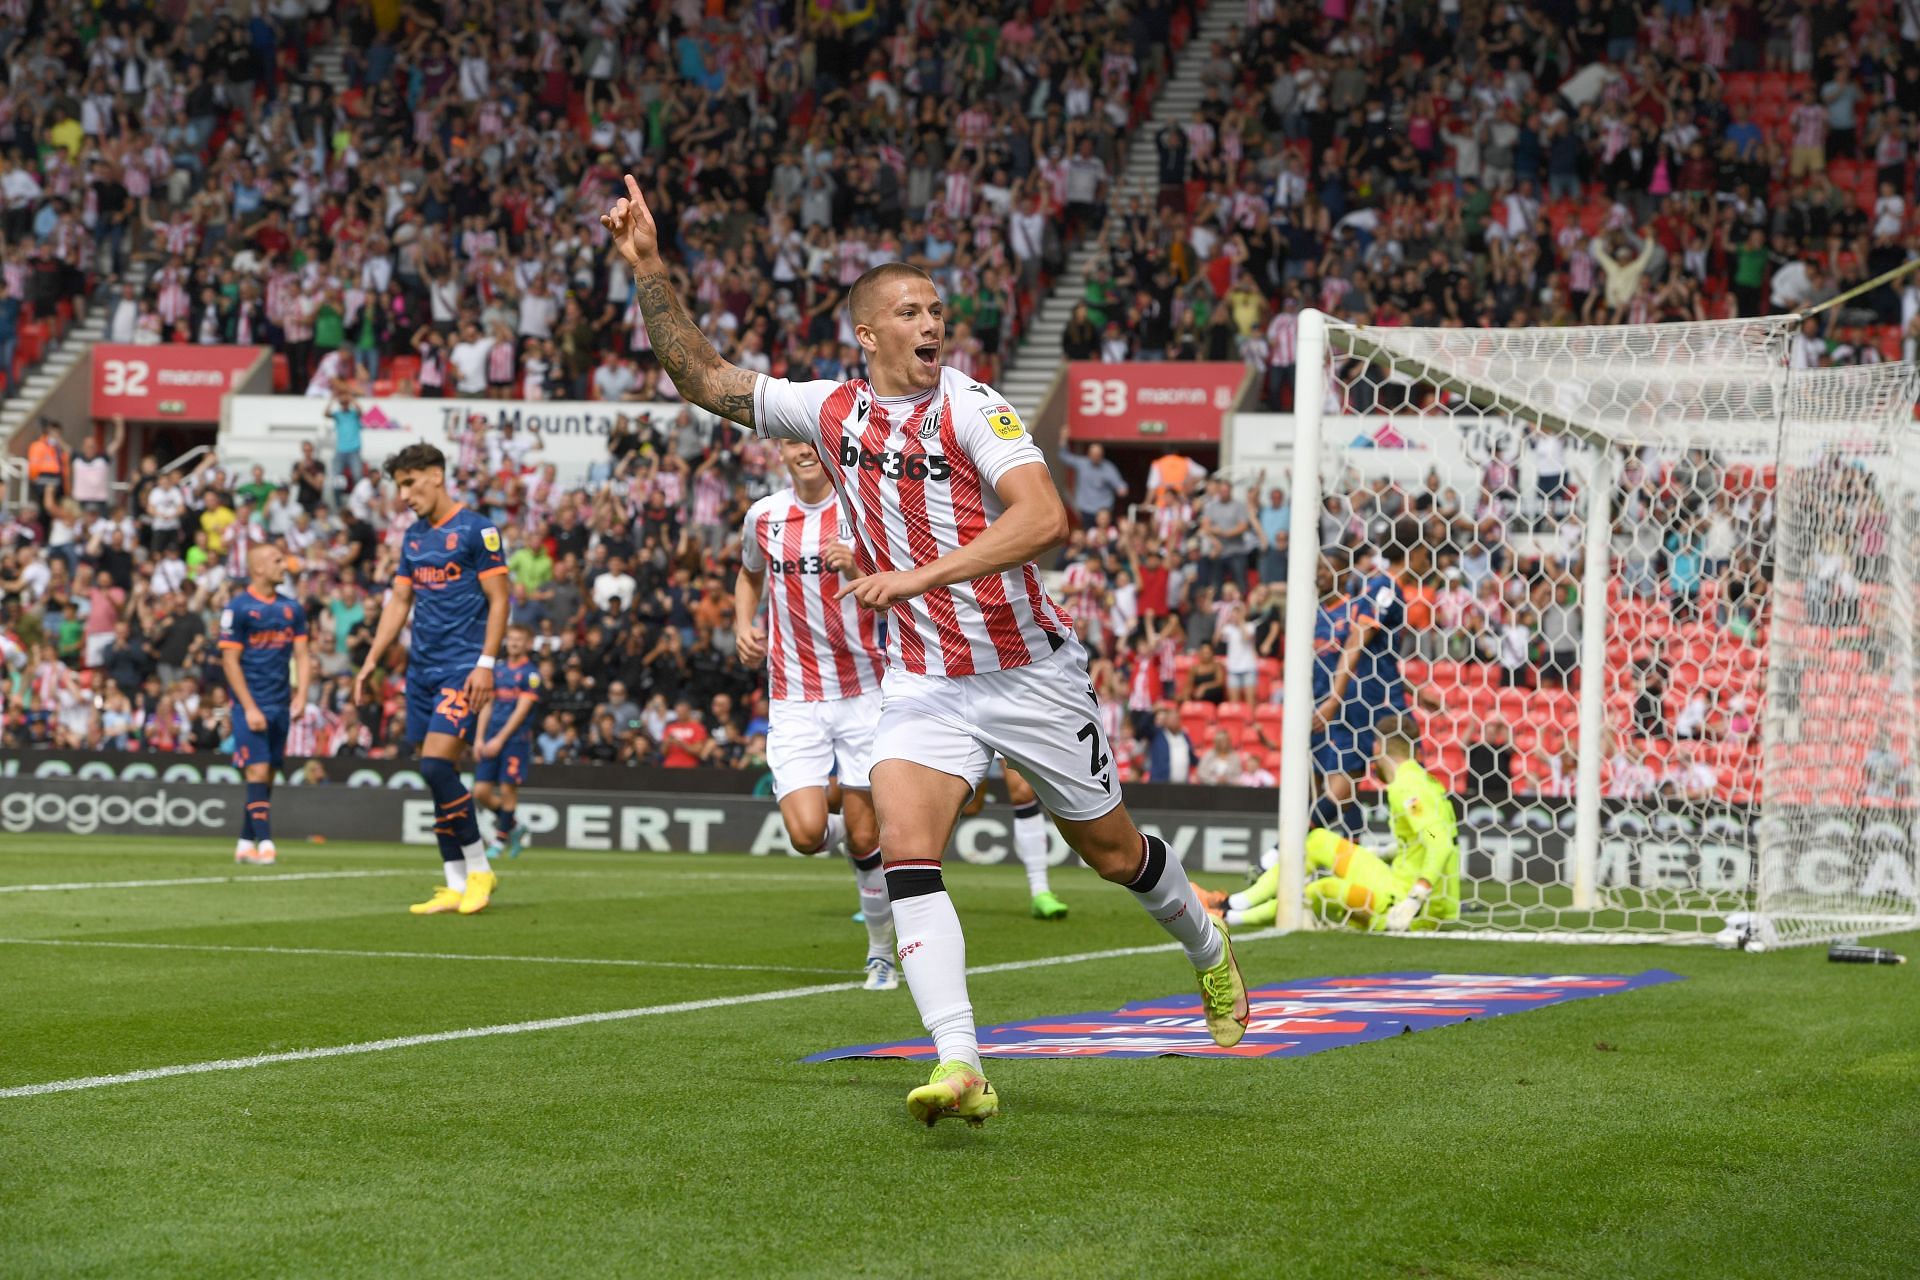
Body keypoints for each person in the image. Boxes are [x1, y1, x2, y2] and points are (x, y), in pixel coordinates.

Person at [606, 175, 1245, 1128]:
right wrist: (652, 269)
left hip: (1027, 670)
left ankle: (1206, 947)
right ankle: (961, 1063)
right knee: (906, 850)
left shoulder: (975, 409)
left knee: (1113, 857)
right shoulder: (829, 411)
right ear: (867, 334)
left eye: (936, 309)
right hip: (921, 681)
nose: (930, 321)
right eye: (909, 309)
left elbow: (1045, 517)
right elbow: (704, 380)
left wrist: (918, 576)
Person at [735, 437, 898, 989]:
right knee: (806, 835)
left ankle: (881, 953)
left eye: (809, 440)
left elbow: (906, 576)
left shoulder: (861, 508)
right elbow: (749, 574)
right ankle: (861, 837)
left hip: (863, 693)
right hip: (794, 694)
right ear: (778, 451)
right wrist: (742, 624)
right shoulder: (764, 515)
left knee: (863, 834)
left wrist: (862, 560)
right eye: (789, 441)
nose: (802, 451)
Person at [353, 443, 510, 916]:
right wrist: (371, 661)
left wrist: (486, 663)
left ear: (435, 476)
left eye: (409, 483)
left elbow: (500, 600)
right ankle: (453, 882)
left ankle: (480, 868)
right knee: (439, 779)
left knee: (436, 768)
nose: (403, 495)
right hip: (420, 671)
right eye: (399, 486)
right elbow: (399, 603)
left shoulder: (476, 529)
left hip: (462, 669)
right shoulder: (415, 539)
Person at [1195, 716, 1459, 931]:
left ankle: (1226, 917)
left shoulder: (1407, 787)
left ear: (1377, 747)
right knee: (1317, 839)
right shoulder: (1421, 781)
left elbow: (1439, 841)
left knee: (1319, 889)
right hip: (1399, 883)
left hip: (1405, 903)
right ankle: (1232, 902)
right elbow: (1429, 837)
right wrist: (1391, 851)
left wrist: (1415, 897)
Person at [218, 543, 311, 866]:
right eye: (276, 561)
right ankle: (267, 844)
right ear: (257, 568)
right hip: (251, 704)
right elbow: (230, 661)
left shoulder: (292, 608)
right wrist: (249, 707)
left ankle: (245, 843)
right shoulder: (238, 608)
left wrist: (301, 695)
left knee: (267, 775)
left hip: (280, 704)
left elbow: (302, 654)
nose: (283, 566)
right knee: (256, 770)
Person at [959, 760, 1072, 920]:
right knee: (971, 805)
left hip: (1004, 734)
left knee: (1022, 792)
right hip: (970, 736)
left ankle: (1040, 891)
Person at [473, 622, 541, 860]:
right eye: (510, 638)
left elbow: (521, 711)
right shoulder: (497, 670)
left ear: (528, 644)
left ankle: (499, 841)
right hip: (491, 737)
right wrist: (480, 738)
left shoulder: (531, 674)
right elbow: (487, 705)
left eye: (519, 639)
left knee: (507, 789)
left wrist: (500, 739)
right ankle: (514, 826)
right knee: (480, 791)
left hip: (515, 740)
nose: (513, 643)